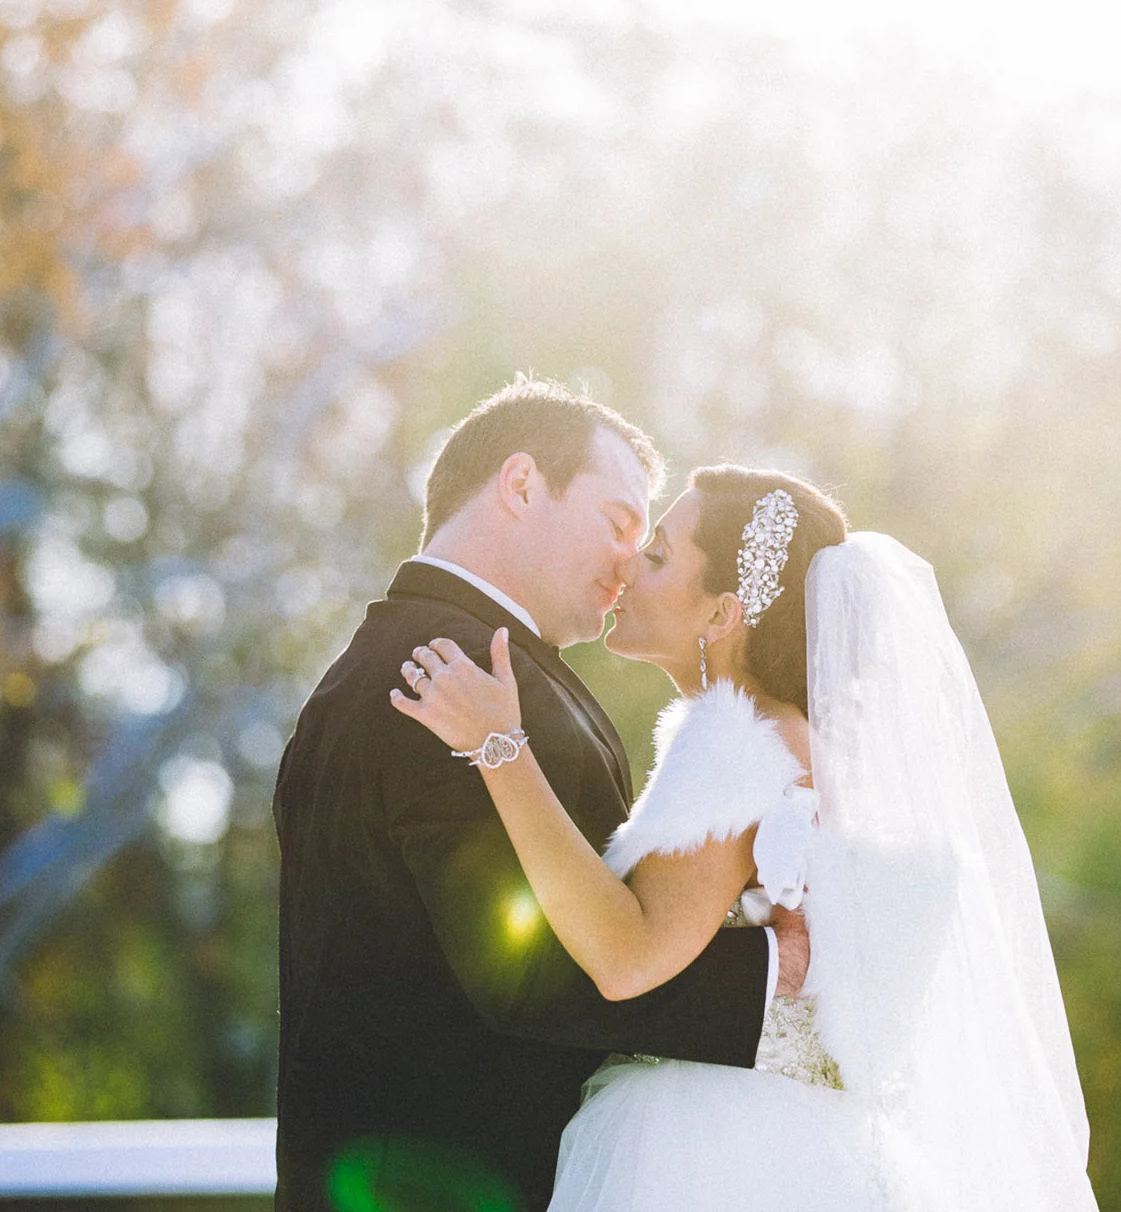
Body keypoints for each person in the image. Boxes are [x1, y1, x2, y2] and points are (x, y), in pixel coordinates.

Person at [395, 465, 1100, 1211]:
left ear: (722, 614)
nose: (629, 564)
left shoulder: (734, 737)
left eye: (660, 555)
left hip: (704, 1149)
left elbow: (626, 958)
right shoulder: (823, 750)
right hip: (824, 1149)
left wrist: (500, 747)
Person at [271, 379, 808, 1212]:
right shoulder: (451, 678)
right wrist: (779, 986)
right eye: (620, 522)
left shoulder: (403, 660)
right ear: (521, 486)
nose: (632, 560)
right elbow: (527, 969)